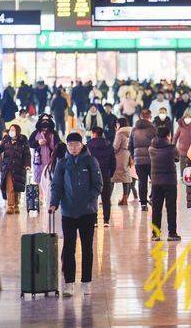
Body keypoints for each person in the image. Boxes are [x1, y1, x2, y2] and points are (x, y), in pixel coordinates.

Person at [50, 132, 103, 297]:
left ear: (82, 144)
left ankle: (86, 283)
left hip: (87, 212)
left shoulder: (90, 161)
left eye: (76, 144)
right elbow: (57, 185)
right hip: (68, 211)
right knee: (68, 248)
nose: (73, 148)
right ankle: (69, 284)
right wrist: (54, 202)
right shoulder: (62, 163)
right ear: (67, 146)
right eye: (70, 145)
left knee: (87, 248)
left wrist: (88, 200)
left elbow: (98, 185)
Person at [148, 125, 181, 241]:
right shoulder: (172, 148)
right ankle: (172, 234)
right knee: (171, 208)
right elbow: (178, 157)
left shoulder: (151, 148)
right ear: (168, 135)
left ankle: (155, 234)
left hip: (156, 182)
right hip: (170, 181)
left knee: (156, 209)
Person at [0, 124, 31, 215]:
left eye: (13, 130)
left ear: (18, 131)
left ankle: (16, 205)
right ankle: (10, 206)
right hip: (8, 167)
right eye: (10, 130)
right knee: (10, 187)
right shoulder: (6, 140)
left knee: (17, 188)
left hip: (19, 167)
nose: (11, 131)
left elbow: (27, 154)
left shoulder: (23, 141)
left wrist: (27, 164)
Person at [87, 127, 116, 227]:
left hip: (92, 175)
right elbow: (113, 161)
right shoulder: (109, 145)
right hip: (105, 174)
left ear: (94, 133)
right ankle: (106, 220)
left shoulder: (89, 145)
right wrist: (110, 173)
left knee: (93, 198)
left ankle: (94, 220)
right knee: (106, 198)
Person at [128, 109, 157, 211]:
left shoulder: (134, 129)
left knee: (142, 182)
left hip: (139, 161)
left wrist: (134, 156)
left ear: (140, 117)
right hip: (152, 159)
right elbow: (158, 143)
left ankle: (143, 204)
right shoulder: (153, 128)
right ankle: (153, 198)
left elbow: (129, 146)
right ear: (150, 117)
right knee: (154, 180)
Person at [112, 118, 133, 205]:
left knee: (112, 177)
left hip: (119, 156)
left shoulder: (120, 133)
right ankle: (125, 199)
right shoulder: (130, 132)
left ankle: (107, 199)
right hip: (127, 154)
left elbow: (115, 147)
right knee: (126, 178)